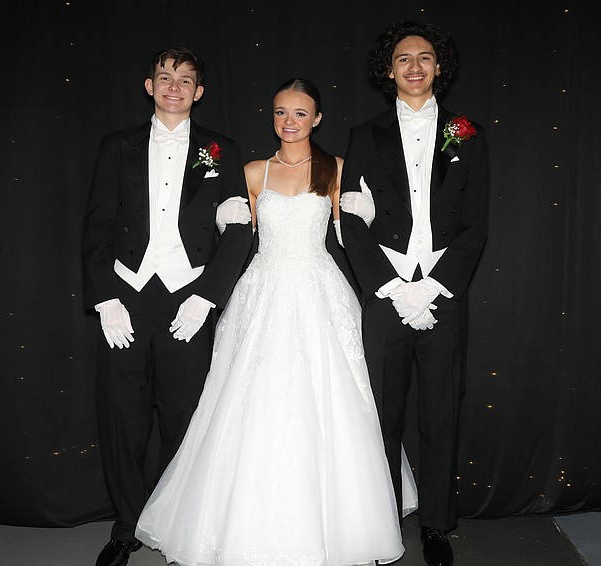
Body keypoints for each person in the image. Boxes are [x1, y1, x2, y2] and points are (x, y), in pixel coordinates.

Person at [135, 78, 417, 566]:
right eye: (281, 112)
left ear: (317, 119)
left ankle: (340, 526)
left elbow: (352, 239)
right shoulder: (252, 172)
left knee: (331, 398)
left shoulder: (335, 169)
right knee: (250, 397)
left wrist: (366, 217)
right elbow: (228, 238)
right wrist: (221, 224)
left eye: (301, 113)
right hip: (262, 291)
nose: (290, 121)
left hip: (319, 291)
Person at [82, 47, 253, 566]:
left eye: (184, 80)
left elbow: (238, 229)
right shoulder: (117, 146)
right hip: (127, 296)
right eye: (164, 77)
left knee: (184, 417)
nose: (173, 87)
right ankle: (126, 527)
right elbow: (97, 226)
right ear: (149, 86)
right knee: (122, 418)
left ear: (198, 91)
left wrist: (207, 297)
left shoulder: (222, 150)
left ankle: (175, 525)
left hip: (188, 296)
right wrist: (105, 298)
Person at [339, 20, 490, 566]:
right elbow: (350, 219)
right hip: (386, 294)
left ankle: (435, 526)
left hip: (442, 293)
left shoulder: (468, 133)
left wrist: (435, 287)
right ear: (389, 69)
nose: (415, 66)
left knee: (441, 411)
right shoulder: (365, 135)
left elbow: (475, 223)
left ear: (438, 66)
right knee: (382, 412)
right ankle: (380, 522)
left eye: (424, 57)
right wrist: (391, 287)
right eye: (404, 58)